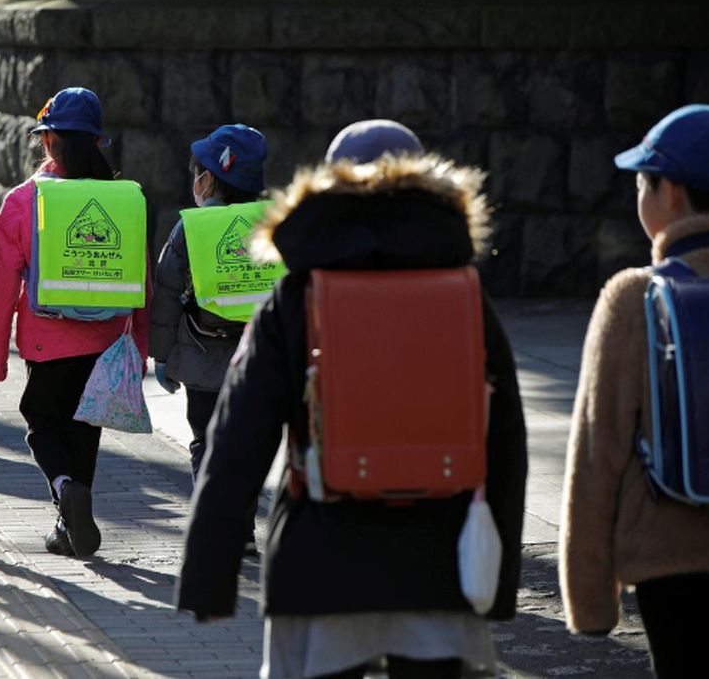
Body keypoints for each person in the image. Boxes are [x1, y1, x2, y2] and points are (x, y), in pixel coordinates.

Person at [176, 120, 528, 679]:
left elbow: (238, 439)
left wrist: (208, 576)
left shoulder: (295, 299)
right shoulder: (464, 297)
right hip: (439, 561)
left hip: (319, 558)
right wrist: (499, 578)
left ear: (330, 188)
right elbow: (506, 441)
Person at [560, 104, 709, 678]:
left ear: (669, 193)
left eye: (642, 183)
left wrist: (592, 600)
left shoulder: (633, 298)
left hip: (664, 563)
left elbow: (596, 457)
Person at [0, 87, 150, 558]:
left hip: (45, 341)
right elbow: (143, 282)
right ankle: (70, 522)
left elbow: (4, 287)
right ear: (97, 141)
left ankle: (64, 487)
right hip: (107, 338)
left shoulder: (24, 199)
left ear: (49, 140)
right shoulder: (125, 199)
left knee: (41, 422)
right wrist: (142, 348)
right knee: (85, 424)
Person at [149, 123, 269, 555]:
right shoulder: (273, 226)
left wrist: (160, 357)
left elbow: (165, 294)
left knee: (204, 441)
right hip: (259, 361)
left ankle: (212, 523)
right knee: (248, 445)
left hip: (201, 360)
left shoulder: (192, 228)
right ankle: (243, 531)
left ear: (209, 179)